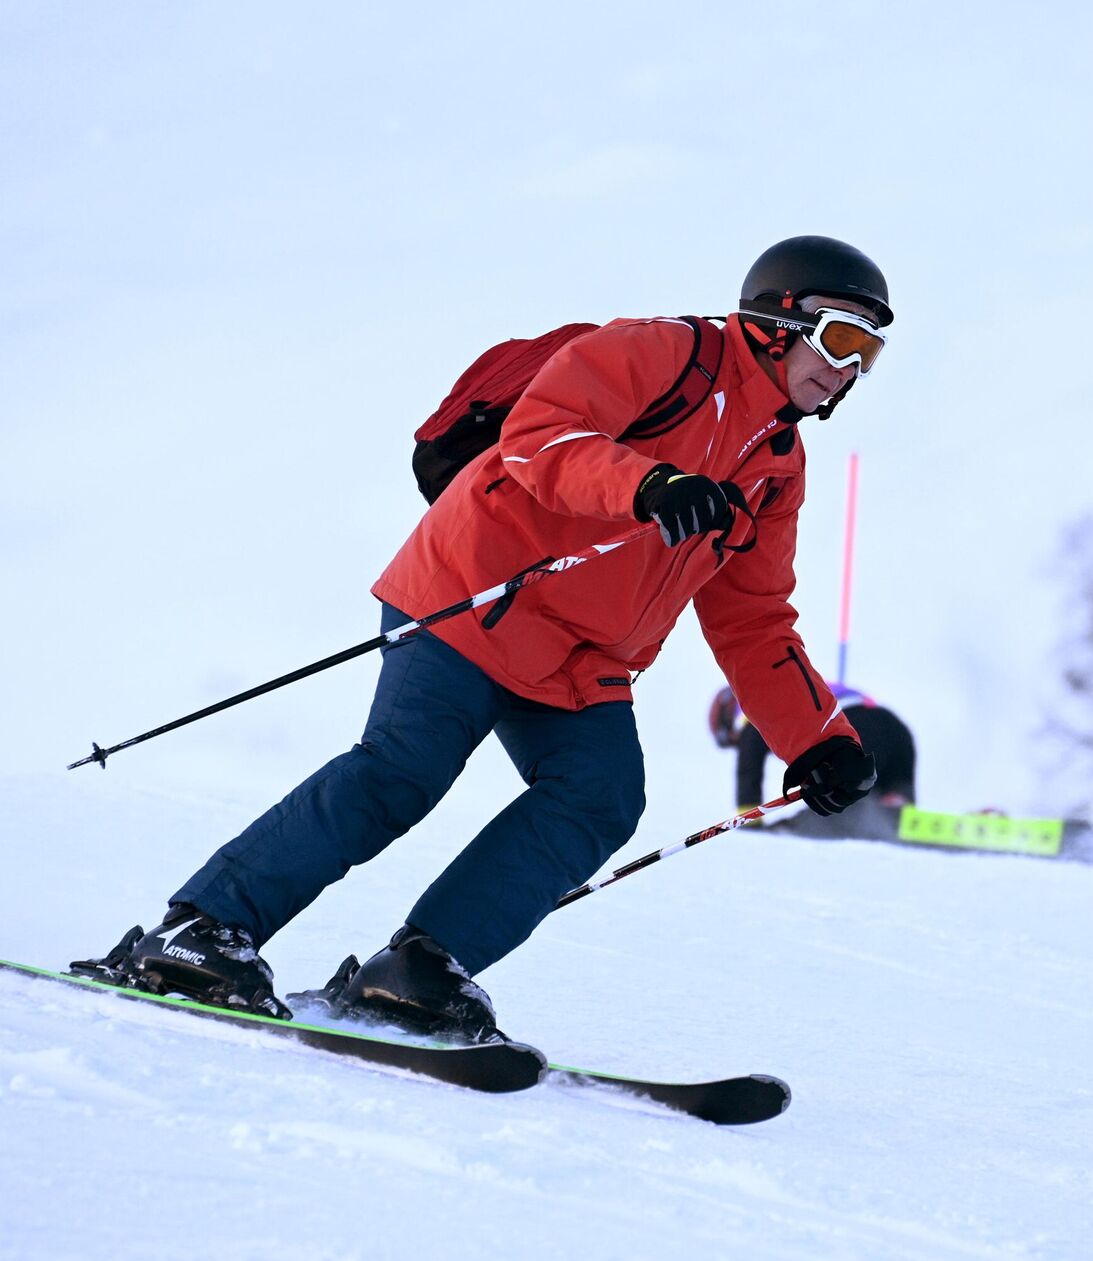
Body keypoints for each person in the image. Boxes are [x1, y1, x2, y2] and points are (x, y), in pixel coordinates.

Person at [75, 235, 894, 1040]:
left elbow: (752, 620)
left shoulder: (776, 468)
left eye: (871, 352)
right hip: (476, 594)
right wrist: (645, 484)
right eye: (843, 336)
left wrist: (817, 740)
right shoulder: (664, 353)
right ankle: (201, 931)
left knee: (600, 798)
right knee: (404, 769)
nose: (851, 365)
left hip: (582, 659)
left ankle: (420, 969)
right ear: (774, 321)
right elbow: (542, 434)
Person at [709, 682, 916, 811]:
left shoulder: (749, 707)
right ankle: (902, 810)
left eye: (733, 741)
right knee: (891, 804)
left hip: (854, 726)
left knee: (837, 801)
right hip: (895, 729)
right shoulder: (787, 688)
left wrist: (750, 816)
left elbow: (750, 758)